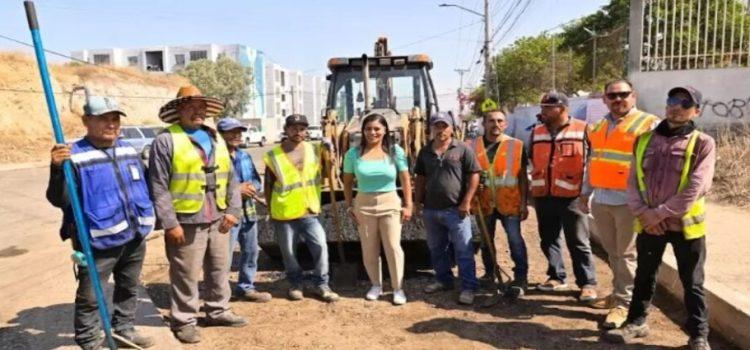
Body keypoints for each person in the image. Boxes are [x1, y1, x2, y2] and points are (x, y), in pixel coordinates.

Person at [605, 86, 716, 350]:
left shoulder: (703, 143)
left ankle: (699, 335)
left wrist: (659, 214)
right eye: (672, 100)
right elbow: (632, 182)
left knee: (693, 282)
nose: (676, 106)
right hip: (649, 225)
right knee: (644, 275)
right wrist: (645, 214)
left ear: (695, 111)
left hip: (686, 227)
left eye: (685, 103)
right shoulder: (644, 140)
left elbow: (697, 186)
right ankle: (636, 323)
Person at [46, 95, 156, 350]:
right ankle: (89, 339)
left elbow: (145, 185)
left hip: (134, 234)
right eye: (103, 119)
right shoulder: (72, 155)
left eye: (115, 119)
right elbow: (58, 199)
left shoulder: (128, 148)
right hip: (97, 240)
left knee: (129, 287)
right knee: (90, 295)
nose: (111, 124)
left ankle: (125, 329)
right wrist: (55, 169)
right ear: (86, 120)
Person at [149, 86, 247, 344]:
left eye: (201, 107)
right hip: (185, 221)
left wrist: (233, 211)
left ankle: (218, 310)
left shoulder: (216, 138)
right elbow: (158, 186)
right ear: (179, 110)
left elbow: (231, 177)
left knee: (218, 269)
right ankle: (183, 320)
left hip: (219, 219)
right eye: (191, 107)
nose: (198, 112)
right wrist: (170, 223)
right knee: (186, 274)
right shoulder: (166, 140)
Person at [578, 80, 660, 329]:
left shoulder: (649, 124)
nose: (617, 99)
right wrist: (585, 193)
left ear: (633, 96)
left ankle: (625, 305)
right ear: (604, 99)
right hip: (602, 200)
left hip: (629, 202)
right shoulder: (599, 126)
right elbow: (594, 161)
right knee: (613, 254)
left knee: (625, 255)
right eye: (612, 95)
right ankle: (618, 294)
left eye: (623, 94)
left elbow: (657, 166)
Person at [529, 91, 598, 302]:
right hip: (544, 196)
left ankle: (587, 283)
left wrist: (587, 192)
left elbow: (592, 163)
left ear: (562, 109)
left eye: (548, 108)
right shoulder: (537, 132)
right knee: (548, 239)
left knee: (578, 241)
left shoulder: (584, 129)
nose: (543, 112)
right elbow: (531, 160)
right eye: (542, 108)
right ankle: (556, 277)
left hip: (572, 197)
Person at [263, 114, 340, 303]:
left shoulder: (314, 150)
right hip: (284, 211)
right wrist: (270, 210)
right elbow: (268, 185)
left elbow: (330, 170)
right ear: (286, 130)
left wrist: (331, 153)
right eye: (294, 128)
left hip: (309, 210)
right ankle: (295, 284)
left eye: (302, 128)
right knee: (289, 252)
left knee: (320, 245)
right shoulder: (274, 156)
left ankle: (321, 284)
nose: (298, 132)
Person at [342, 113, 412, 305]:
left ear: (384, 131)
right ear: (362, 131)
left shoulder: (395, 151)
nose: (372, 133)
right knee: (369, 249)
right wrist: (349, 206)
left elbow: (405, 179)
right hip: (363, 205)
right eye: (368, 129)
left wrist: (408, 205)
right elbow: (347, 182)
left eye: (377, 129)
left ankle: (398, 288)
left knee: (393, 247)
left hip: (390, 203)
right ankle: (376, 285)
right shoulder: (353, 154)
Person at [415, 111, 481, 305]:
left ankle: (468, 287)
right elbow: (420, 178)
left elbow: (474, 175)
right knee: (437, 249)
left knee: (463, 249)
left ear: (452, 128)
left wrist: (467, 201)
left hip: (456, 210)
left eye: (444, 126)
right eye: (437, 126)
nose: (440, 130)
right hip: (431, 210)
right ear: (431, 128)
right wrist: (418, 202)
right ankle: (444, 280)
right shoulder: (425, 151)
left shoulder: (462, 149)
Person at [468, 109, 530, 298]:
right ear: (484, 124)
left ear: (506, 124)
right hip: (483, 202)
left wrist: (524, 203)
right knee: (486, 242)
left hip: (509, 202)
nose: (496, 124)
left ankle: (520, 277)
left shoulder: (517, 145)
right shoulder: (472, 146)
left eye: (500, 121)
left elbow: (522, 177)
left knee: (515, 241)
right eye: (491, 121)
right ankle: (489, 274)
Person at [216, 118, 272, 303]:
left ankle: (246, 287)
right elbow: (210, 186)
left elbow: (256, 180)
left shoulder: (245, 156)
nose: (237, 136)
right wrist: (237, 190)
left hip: (248, 212)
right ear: (221, 135)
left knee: (250, 251)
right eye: (231, 132)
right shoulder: (215, 157)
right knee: (224, 255)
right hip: (227, 215)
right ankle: (220, 293)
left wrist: (252, 187)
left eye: (239, 132)